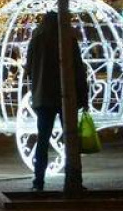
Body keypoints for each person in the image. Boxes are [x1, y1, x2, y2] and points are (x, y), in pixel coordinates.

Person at [25, 11, 89, 191]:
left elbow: (28, 68)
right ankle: (75, 179)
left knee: (42, 140)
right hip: (65, 96)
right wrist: (83, 96)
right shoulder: (67, 38)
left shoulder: (36, 39)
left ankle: (38, 182)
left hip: (43, 97)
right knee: (71, 139)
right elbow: (78, 68)